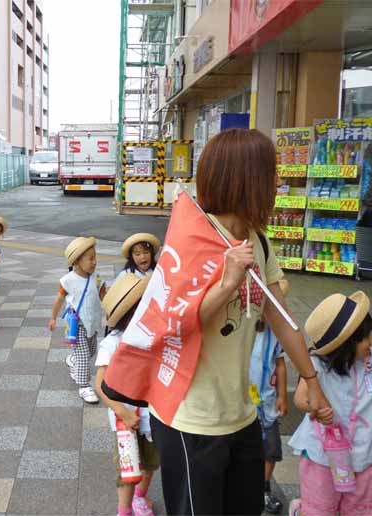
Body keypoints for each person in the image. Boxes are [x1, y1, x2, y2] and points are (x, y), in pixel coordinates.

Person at [144, 128, 331, 516]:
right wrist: (227, 282)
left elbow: (282, 319)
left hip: (241, 414)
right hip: (190, 418)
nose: (278, 182)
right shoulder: (193, 240)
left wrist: (312, 380)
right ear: (247, 178)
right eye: (272, 173)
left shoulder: (258, 241)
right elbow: (173, 326)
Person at [288, 292, 372, 516]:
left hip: (364, 453)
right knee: (320, 509)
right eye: (365, 338)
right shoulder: (316, 366)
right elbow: (300, 398)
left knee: (362, 510)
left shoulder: (370, 359)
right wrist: (314, 407)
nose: (371, 343)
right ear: (344, 345)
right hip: (324, 455)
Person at [96, 273, 158, 516]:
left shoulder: (154, 336)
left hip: (152, 415)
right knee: (127, 468)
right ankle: (124, 511)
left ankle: (139, 498)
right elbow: (100, 385)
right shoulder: (112, 343)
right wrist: (122, 412)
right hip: (125, 419)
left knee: (152, 462)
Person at [249, 280, 290, 515]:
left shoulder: (276, 333)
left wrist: (282, 395)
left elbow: (280, 364)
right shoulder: (241, 331)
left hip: (268, 402)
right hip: (242, 405)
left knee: (271, 449)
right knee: (245, 449)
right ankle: (243, 487)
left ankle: (263, 489)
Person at [49, 236, 106, 404]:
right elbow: (59, 299)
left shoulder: (96, 278)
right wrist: (53, 318)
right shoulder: (68, 280)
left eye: (95, 257)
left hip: (92, 323)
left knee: (91, 351)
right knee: (83, 356)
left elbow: (105, 297)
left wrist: (113, 313)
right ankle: (84, 386)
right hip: (76, 324)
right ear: (77, 262)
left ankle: (73, 360)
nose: (95, 262)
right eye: (90, 259)